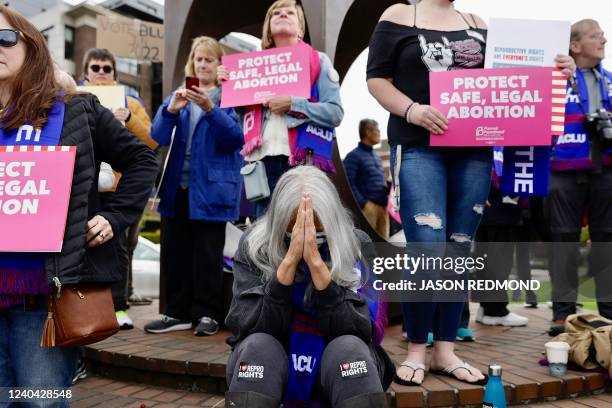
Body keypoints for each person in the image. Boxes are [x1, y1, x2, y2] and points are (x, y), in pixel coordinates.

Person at [366, 0, 575, 386]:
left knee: (459, 248)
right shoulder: (397, 15)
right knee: (427, 247)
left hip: (474, 151)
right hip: (416, 145)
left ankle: (445, 349)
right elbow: (376, 79)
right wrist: (412, 110)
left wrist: (558, 72)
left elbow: (512, 78)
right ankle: (415, 349)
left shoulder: (477, 22)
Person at [0, 5, 158, 402]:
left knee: (40, 400)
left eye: (3, 38)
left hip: (44, 301)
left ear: (32, 47)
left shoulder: (74, 110)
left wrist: (114, 216)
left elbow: (142, 160)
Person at [225, 165, 393, 408]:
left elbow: (366, 330)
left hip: (335, 363)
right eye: (291, 234)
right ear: (277, 224)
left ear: (332, 222)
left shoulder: (356, 243)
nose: (306, 241)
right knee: (257, 347)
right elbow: (245, 327)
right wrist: (286, 269)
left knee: (350, 350)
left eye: (319, 235)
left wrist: (319, 271)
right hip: (275, 364)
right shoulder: (254, 245)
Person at [144, 36, 243, 336]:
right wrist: (171, 109)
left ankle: (208, 314)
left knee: (207, 255)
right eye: (198, 59)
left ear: (219, 65)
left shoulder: (230, 97)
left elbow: (235, 138)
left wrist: (211, 109)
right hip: (178, 188)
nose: (202, 64)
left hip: (212, 189)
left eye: (208, 60)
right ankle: (176, 313)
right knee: (175, 253)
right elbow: (157, 135)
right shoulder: (180, 95)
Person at [218, 0, 343, 219]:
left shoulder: (318, 61)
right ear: (268, 28)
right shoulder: (251, 68)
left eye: (289, 13)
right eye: (276, 13)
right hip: (261, 166)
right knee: (264, 239)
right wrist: (229, 86)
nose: (283, 15)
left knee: (300, 232)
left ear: (300, 28)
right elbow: (241, 123)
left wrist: (293, 104)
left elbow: (335, 113)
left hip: (301, 165)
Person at [81, 48, 159, 329]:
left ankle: (119, 306)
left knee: (120, 246)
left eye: (107, 68)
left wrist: (127, 120)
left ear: (115, 74)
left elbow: (151, 143)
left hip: (118, 185)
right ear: (85, 73)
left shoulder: (132, 103)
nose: (101, 73)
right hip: (85, 188)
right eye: (96, 68)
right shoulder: (75, 99)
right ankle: (85, 309)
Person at [547, 19, 611, 335]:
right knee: (563, 242)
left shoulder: (610, 81)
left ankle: (609, 315)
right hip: (563, 171)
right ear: (574, 45)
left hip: (605, 171)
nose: (604, 39)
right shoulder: (554, 80)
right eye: (595, 35)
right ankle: (562, 315)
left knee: (606, 242)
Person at [343, 119, 390, 239]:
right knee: (367, 245)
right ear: (368, 132)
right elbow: (348, 183)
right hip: (368, 209)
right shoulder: (353, 156)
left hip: (383, 207)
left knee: (384, 247)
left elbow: (379, 181)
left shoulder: (376, 156)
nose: (380, 133)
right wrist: (363, 204)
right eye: (377, 130)